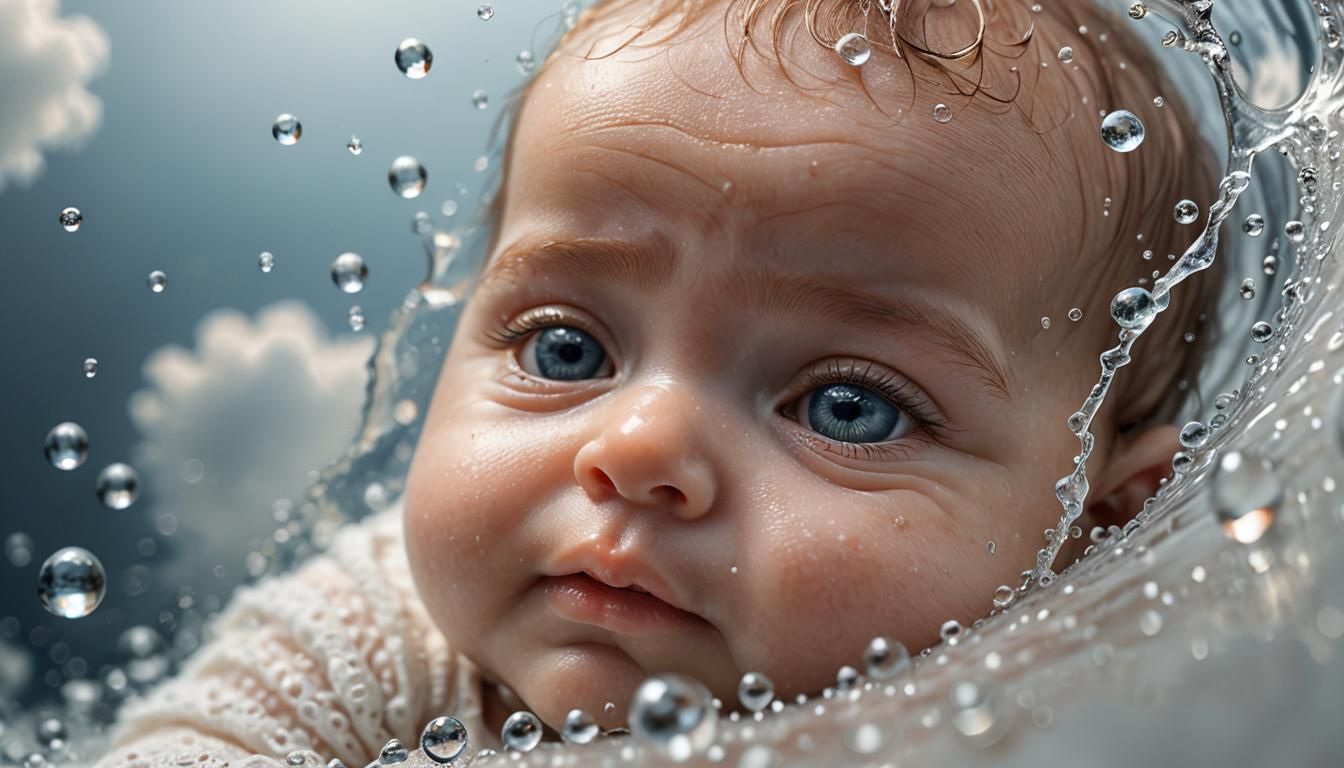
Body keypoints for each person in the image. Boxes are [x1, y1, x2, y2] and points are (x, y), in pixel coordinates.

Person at [94, 0, 1223, 764]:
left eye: (848, 407)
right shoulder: (382, 626)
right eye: (565, 350)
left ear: (1099, 528)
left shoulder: (1045, 704)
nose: (636, 449)